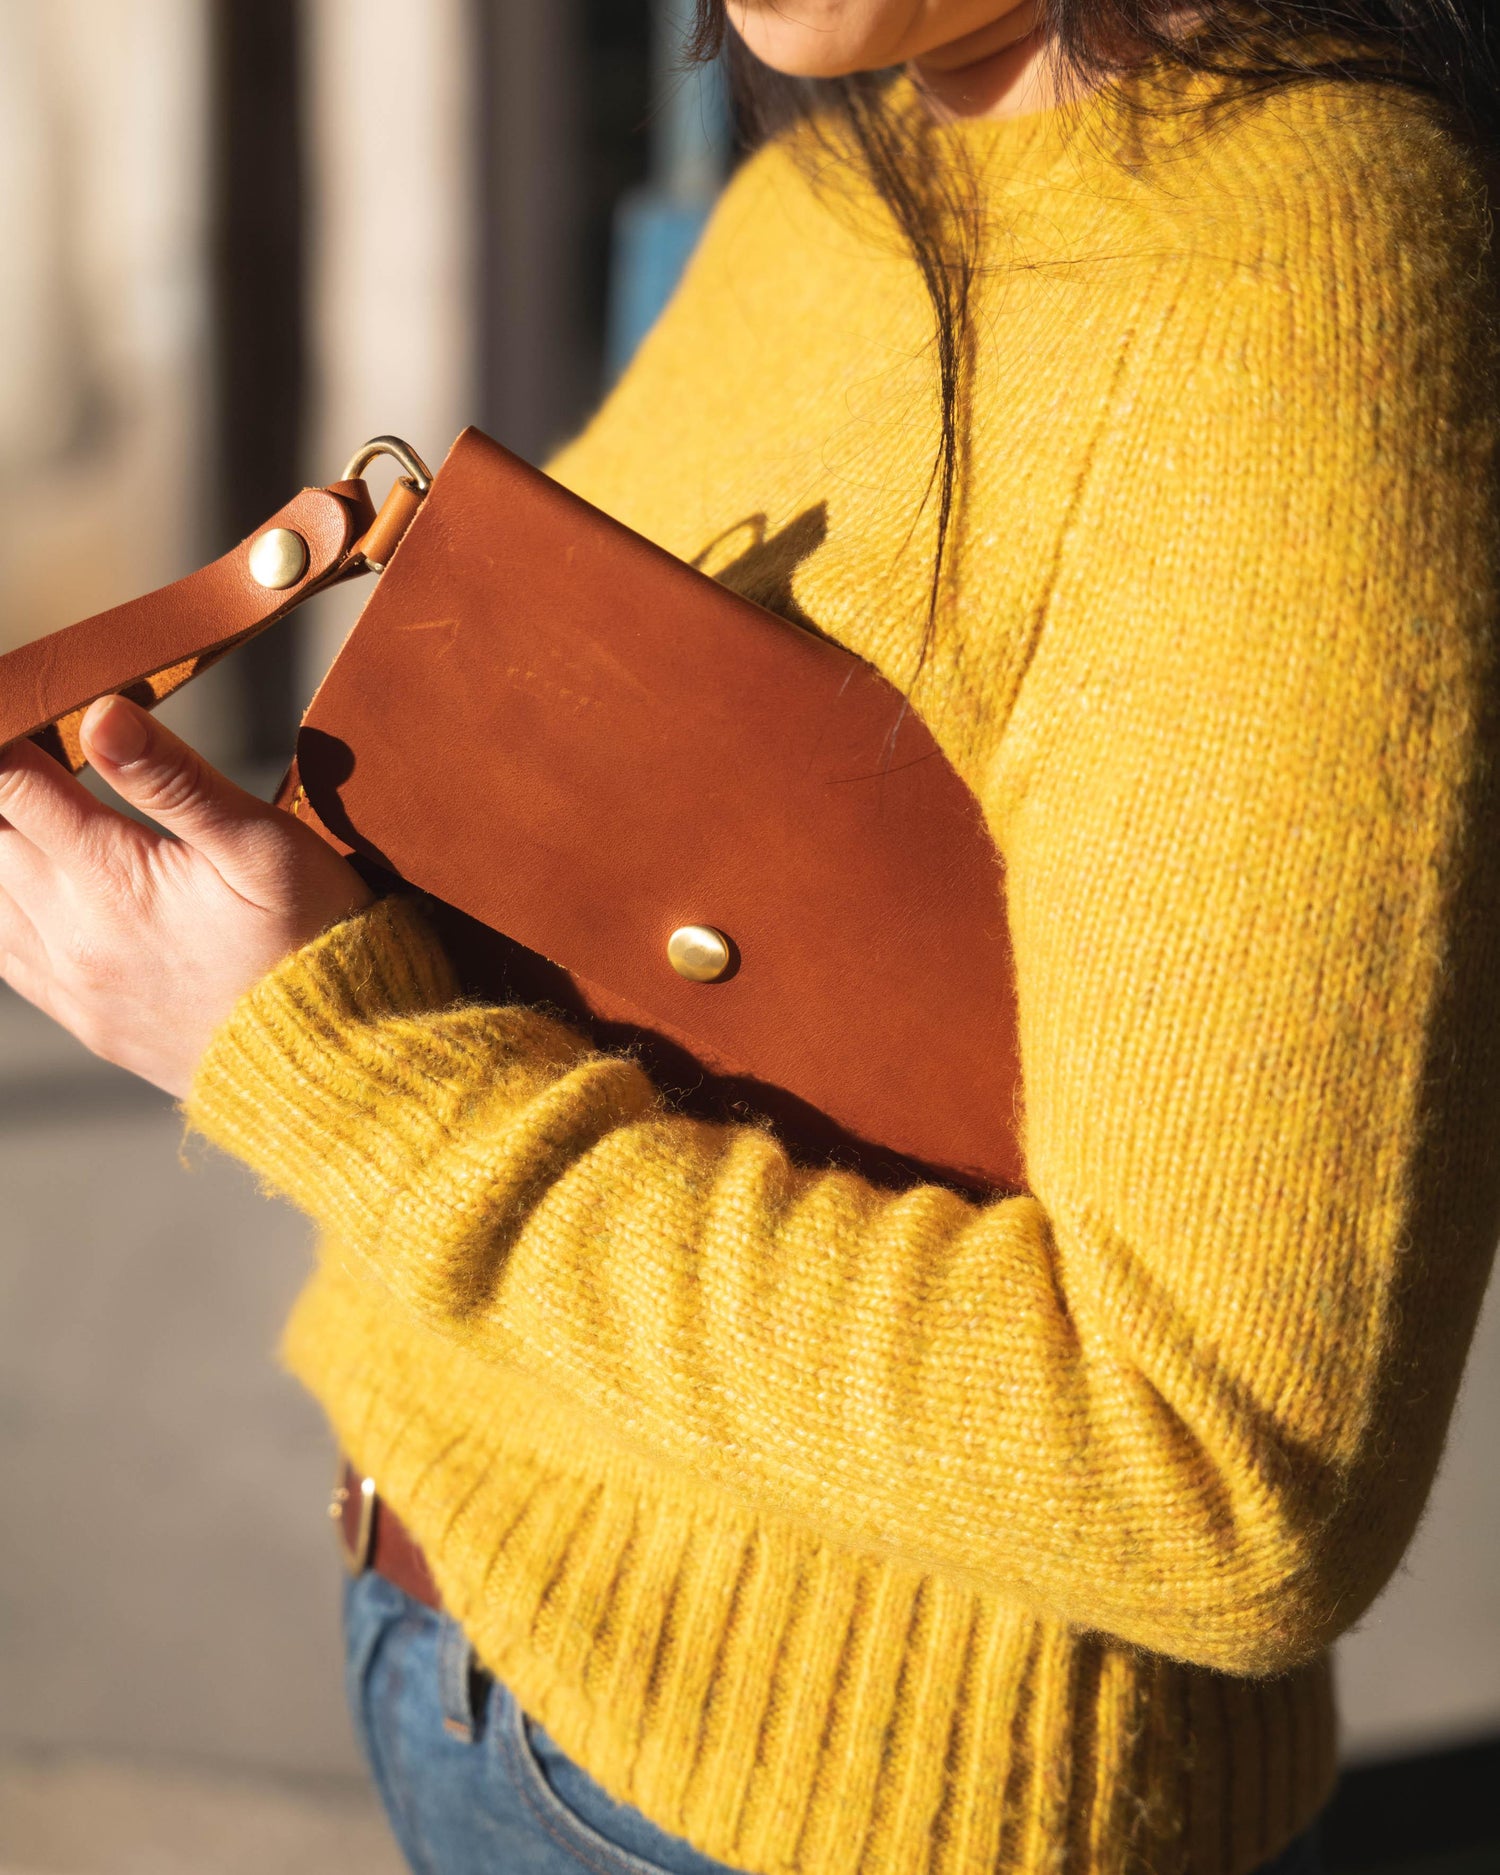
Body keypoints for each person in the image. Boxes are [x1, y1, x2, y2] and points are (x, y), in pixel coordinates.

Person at [2, 2, 1498, 1872]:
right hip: (476, 1629)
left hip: (810, 1805)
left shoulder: (1293, 283)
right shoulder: (834, 186)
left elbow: (1219, 1471)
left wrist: (330, 1067)